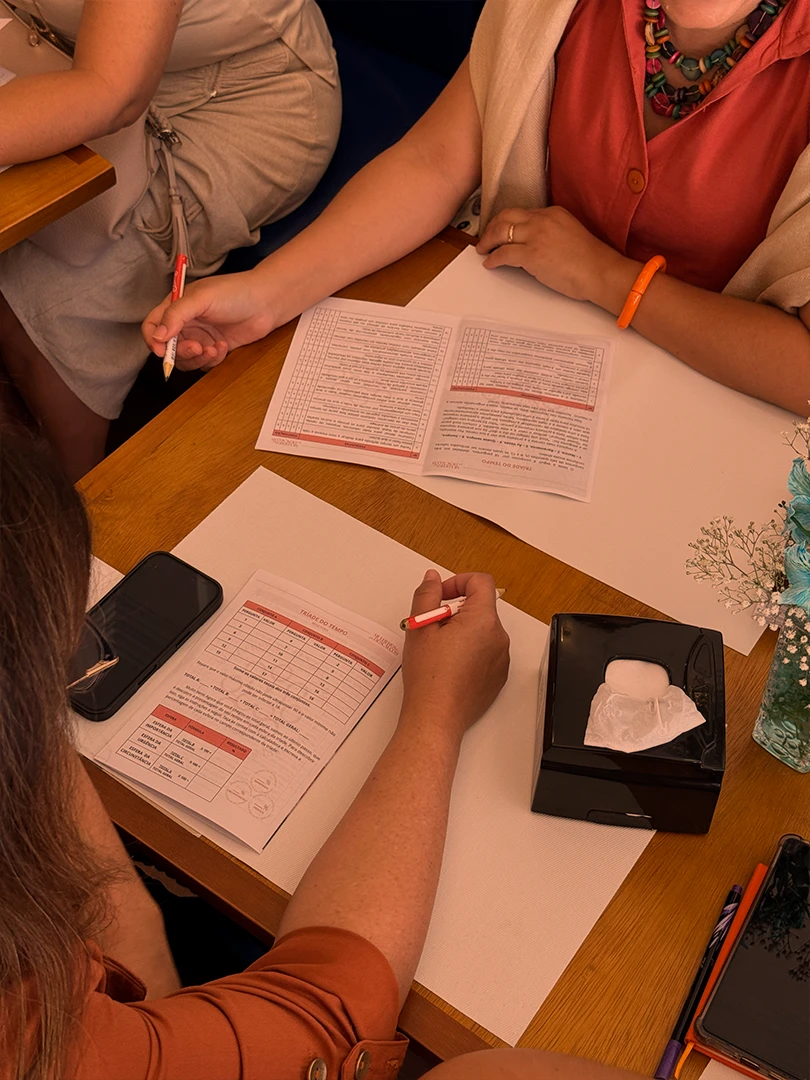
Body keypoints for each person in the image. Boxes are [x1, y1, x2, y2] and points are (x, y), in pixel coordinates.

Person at [144, 0, 810, 417]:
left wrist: (605, 277)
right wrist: (265, 295)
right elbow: (434, 163)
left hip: (717, 409)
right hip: (528, 366)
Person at [0, 0, 341, 481]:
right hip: (53, 55)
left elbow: (110, 91)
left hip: (231, 97)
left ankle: (65, 504)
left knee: (40, 288)